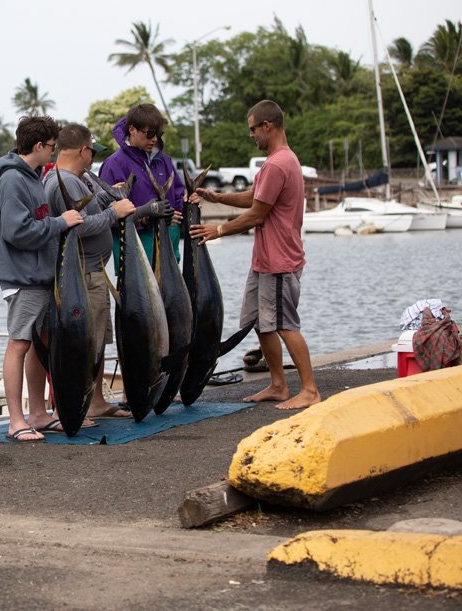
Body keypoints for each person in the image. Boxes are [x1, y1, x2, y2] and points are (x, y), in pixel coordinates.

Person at [189, 100, 321, 409]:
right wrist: (215, 196)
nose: (251, 135)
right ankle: (278, 384)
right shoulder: (278, 162)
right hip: (264, 259)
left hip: (279, 261)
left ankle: (310, 389)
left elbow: (256, 215)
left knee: (285, 324)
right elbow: (254, 197)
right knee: (258, 321)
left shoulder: (278, 163)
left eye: (253, 129)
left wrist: (217, 230)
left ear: (268, 126)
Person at [43, 124, 171, 418]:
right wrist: (116, 213)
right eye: (92, 153)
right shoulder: (64, 182)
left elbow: (86, 214)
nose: (93, 160)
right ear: (83, 151)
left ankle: (97, 400)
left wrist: (105, 197)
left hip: (91, 272)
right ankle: (81, 406)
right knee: (86, 345)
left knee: (98, 342)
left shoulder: (74, 179)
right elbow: (79, 226)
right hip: (84, 275)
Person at [0, 116, 84, 441]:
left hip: (40, 276)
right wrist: (60, 223)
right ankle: (16, 422)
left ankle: (39, 414)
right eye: (51, 147)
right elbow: (16, 231)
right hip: (24, 277)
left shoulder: (32, 178)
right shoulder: (13, 180)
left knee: (39, 344)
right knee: (19, 344)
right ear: (40, 145)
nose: (54, 153)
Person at [99, 103, 185, 264]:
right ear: (132, 129)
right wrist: (145, 217)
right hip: (134, 260)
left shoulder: (165, 161)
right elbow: (105, 216)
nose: (154, 139)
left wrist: (188, 205)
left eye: (158, 134)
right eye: (150, 133)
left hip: (168, 255)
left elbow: (179, 199)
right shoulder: (114, 164)